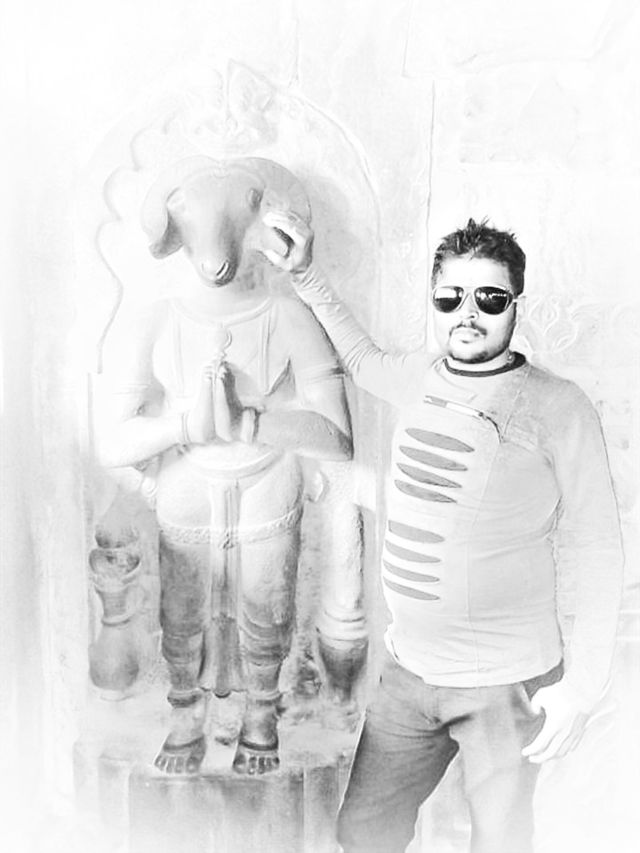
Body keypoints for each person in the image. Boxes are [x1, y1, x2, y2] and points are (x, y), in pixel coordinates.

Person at [262, 214, 624, 853]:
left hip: (506, 684)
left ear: (515, 304)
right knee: (364, 833)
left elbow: (597, 547)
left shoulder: (560, 406)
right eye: (451, 298)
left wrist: (584, 687)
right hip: (409, 675)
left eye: (489, 299)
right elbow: (362, 359)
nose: (468, 315)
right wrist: (305, 272)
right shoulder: (420, 374)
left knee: (499, 843)